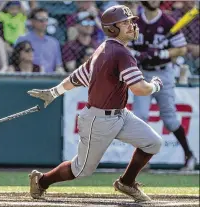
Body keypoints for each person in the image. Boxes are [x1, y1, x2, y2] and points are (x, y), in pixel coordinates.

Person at [27, 5, 164, 203]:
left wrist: (54, 92)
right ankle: (42, 181)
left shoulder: (105, 48)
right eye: (125, 23)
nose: (131, 25)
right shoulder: (120, 53)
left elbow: (78, 76)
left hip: (120, 114)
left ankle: (126, 183)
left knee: (153, 142)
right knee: (81, 170)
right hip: (98, 120)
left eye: (131, 21)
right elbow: (140, 89)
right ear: (112, 28)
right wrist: (155, 86)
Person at [129, 1, 196, 171]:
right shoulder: (134, 22)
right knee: (140, 116)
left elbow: (181, 49)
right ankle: (143, 158)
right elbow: (123, 45)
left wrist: (161, 52)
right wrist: (137, 54)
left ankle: (189, 155)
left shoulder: (168, 22)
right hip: (142, 73)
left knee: (170, 120)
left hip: (163, 73)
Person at [14, 8, 64, 74]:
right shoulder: (22, 39)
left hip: (49, 78)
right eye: (41, 20)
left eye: (46, 20)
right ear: (32, 21)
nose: (44, 23)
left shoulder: (54, 42)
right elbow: (15, 60)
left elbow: (58, 65)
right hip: (29, 77)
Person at [172, 1, 199, 75]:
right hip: (181, 52)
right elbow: (172, 39)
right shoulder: (175, 16)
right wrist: (189, 47)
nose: (192, 1)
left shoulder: (198, 15)